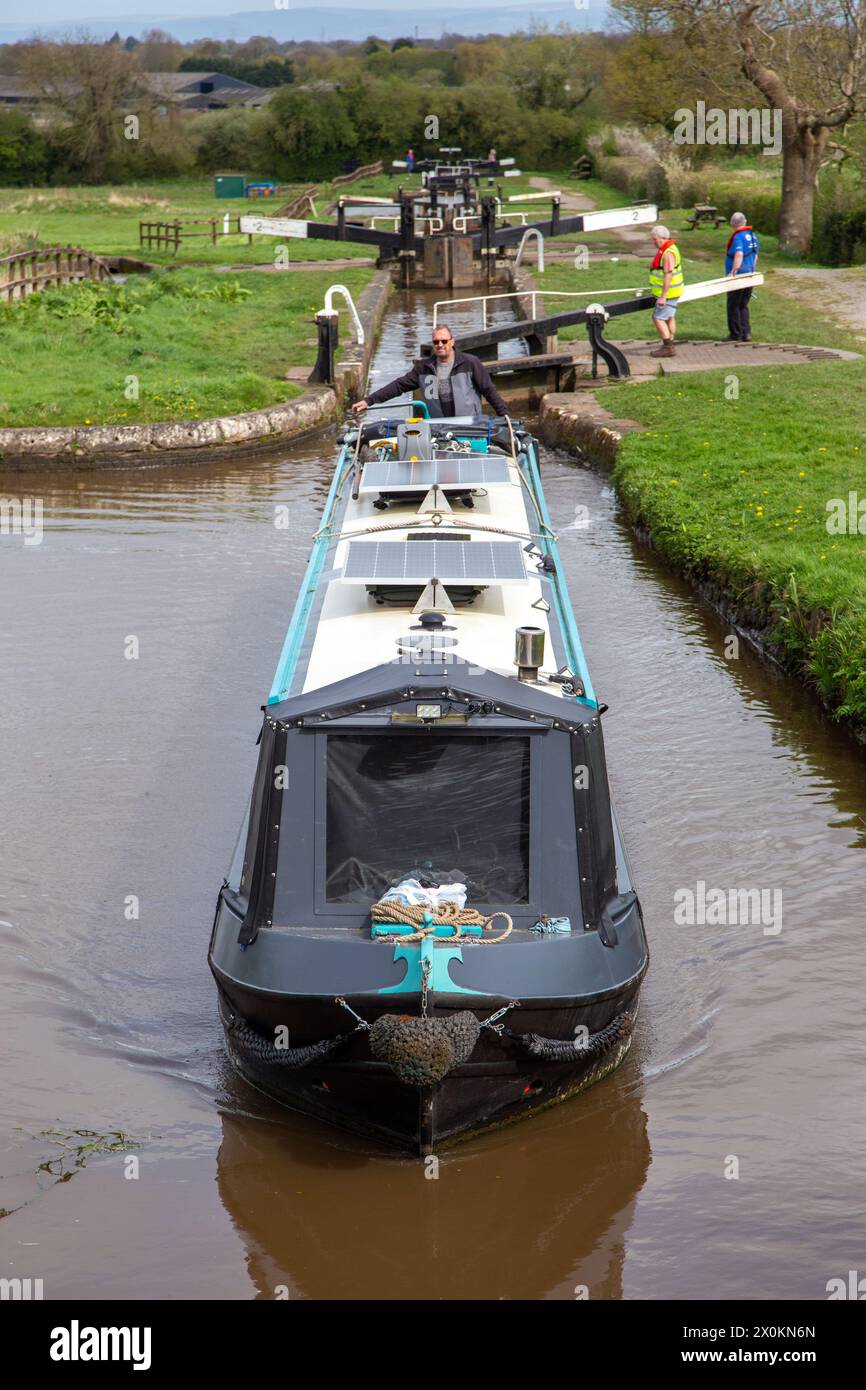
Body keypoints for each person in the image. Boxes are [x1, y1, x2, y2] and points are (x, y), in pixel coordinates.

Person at [352, 324, 509, 418]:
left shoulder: (470, 363)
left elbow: (489, 391)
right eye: (436, 342)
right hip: (439, 428)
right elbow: (399, 386)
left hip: (469, 426)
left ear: (452, 342)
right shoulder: (424, 368)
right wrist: (369, 400)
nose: (440, 344)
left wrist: (505, 417)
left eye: (444, 341)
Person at [648, 224, 684, 358]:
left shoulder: (668, 253)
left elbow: (668, 274)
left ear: (662, 238)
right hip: (674, 292)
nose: (653, 242)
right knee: (669, 317)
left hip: (668, 294)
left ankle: (668, 347)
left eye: (654, 239)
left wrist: (663, 296)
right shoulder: (672, 248)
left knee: (657, 317)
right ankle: (671, 341)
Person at [725, 211, 760, 342]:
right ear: (744, 222)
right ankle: (746, 333)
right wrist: (752, 270)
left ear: (732, 224)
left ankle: (735, 333)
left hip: (739, 276)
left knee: (733, 304)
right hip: (750, 274)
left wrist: (734, 271)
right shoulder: (753, 236)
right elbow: (755, 255)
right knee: (743, 305)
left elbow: (739, 254)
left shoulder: (738, 237)